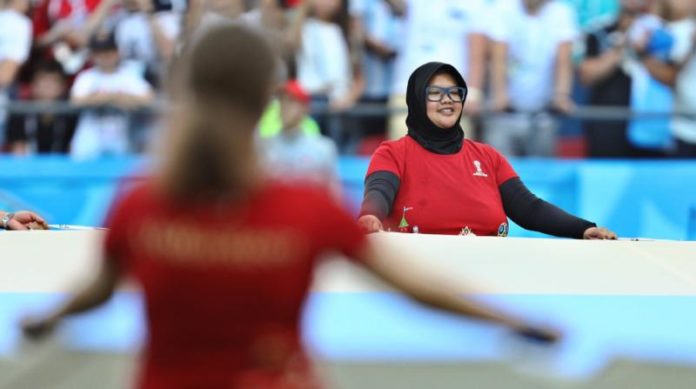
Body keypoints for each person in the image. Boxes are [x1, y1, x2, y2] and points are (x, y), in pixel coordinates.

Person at [21, 25, 559, 389]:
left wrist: (45, 318)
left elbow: (99, 289)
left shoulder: (144, 203)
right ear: (265, 102)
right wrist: (512, 321)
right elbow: (414, 289)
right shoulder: (304, 208)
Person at [358, 61, 617, 239]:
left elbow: (530, 209)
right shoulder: (393, 153)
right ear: (416, 100)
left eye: (454, 92)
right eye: (435, 93)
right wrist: (370, 216)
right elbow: (379, 191)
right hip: (423, 284)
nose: (447, 99)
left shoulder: (487, 157)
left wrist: (583, 229)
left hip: (492, 280)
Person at [579, 0, 646, 158]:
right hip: (608, 123)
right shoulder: (598, 30)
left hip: (649, 125)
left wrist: (645, 50)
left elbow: (671, 77)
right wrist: (622, 45)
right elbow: (586, 77)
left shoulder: (659, 31)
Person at [259, 79, 341, 197]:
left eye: (291, 102)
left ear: (304, 108)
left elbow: (334, 195)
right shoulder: (264, 145)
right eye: (281, 101)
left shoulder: (323, 148)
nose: (284, 107)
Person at [5, 60, 77, 155]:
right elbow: (18, 153)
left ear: (63, 87)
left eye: (53, 81)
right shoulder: (19, 113)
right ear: (33, 85)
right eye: (42, 81)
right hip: (29, 167)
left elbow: (74, 151)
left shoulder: (71, 115)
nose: (47, 86)